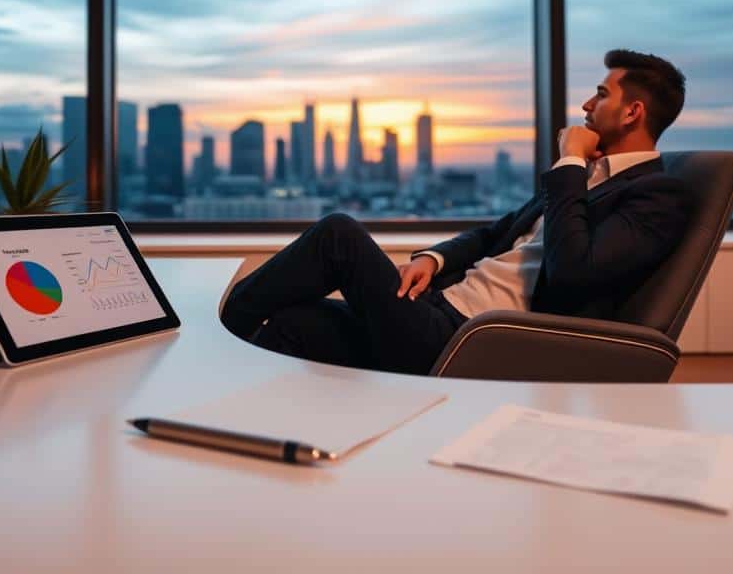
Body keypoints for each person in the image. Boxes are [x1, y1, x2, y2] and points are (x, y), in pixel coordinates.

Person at [221, 49, 690, 375]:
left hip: (469, 338)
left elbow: (572, 270)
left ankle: (213, 340)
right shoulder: (585, 177)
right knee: (293, 323)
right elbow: (494, 234)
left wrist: (568, 162)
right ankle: (236, 422)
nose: (587, 105)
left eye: (601, 95)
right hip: (434, 306)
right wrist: (433, 259)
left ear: (632, 113)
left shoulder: (656, 196)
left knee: (338, 235)